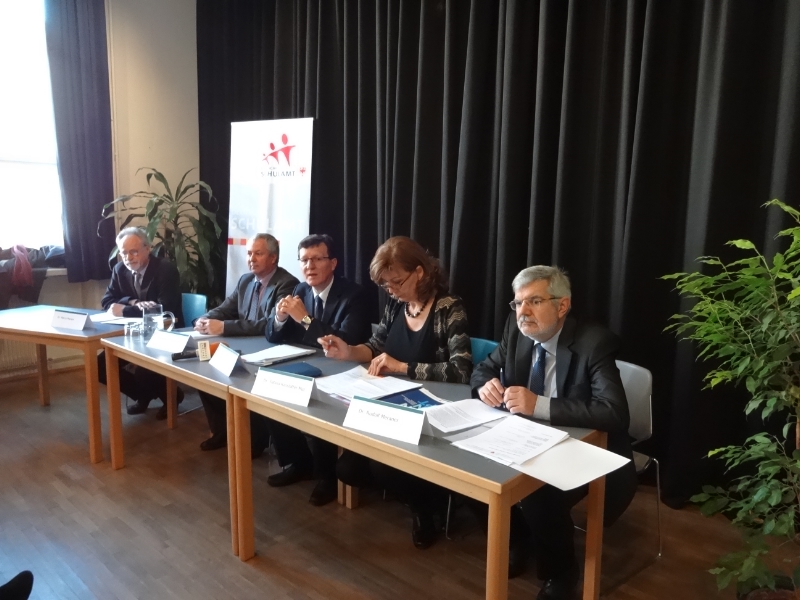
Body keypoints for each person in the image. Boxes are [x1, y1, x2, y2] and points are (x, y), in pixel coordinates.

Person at [471, 265, 637, 600]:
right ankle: (518, 540)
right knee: (474, 473)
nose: (523, 311)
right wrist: (484, 385)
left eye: (534, 301)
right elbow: (484, 368)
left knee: (537, 493)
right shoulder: (516, 330)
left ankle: (561, 572)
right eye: (518, 303)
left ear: (562, 306)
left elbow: (614, 412)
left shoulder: (594, 342)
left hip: (587, 448)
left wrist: (540, 405)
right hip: (525, 439)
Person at [320, 236, 472, 549]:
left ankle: (426, 509)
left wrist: (402, 367)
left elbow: (461, 371)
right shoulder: (396, 305)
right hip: (391, 405)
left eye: (396, 282)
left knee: (382, 466)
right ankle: (417, 492)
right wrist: (348, 351)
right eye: (385, 285)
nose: (391, 290)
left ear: (420, 272)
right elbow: (376, 347)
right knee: (347, 469)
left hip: (432, 414)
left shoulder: (449, 308)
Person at [264, 234, 371, 506]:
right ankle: (299, 463)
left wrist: (305, 319)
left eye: (316, 259)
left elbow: (346, 340)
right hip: (310, 365)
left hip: (346, 371)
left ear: (332, 263)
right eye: (304, 260)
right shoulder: (300, 291)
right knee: (271, 390)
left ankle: (328, 477)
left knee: (318, 401)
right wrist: (280, 317)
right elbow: (273, 336)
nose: (309, 266)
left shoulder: (354, 295)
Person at [194, 233, 298, 456]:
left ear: (273, 257)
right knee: (205, 372)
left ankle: (255, 440)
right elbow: (225, 308)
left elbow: (268, 324)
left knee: (243, 378)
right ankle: (222, 431)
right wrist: (204, 318)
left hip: (268, 348)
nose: (251, 259)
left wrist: (223, 327)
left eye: (258, 254)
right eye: (249, 253)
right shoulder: (245, 280)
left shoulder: (287, 283)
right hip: (241, 345)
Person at [97, 227, 184, 420]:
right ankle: (143, 395)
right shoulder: (120, 269)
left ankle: (172, 397)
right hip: (134, 334)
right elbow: (107, 301)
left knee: (144, 368)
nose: (128, 258)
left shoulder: (165, 269)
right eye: (123, 253)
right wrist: (132, 301)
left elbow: (163, 308)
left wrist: (124, 309)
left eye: (134, 252)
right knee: (100, 366)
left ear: (148, 249)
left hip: (167, 332)